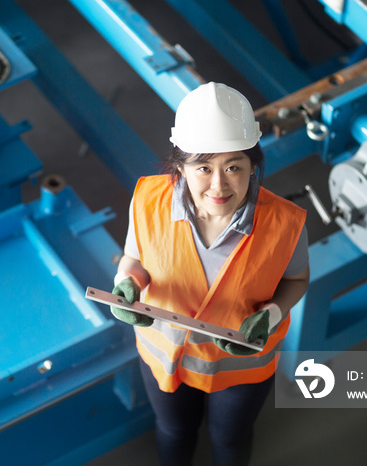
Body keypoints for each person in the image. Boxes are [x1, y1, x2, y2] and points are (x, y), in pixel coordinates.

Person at [110, 82, 309, 466]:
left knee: (229, 441)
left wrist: (270, 316)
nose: (218, 185)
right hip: (164, 357)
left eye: (234, 166)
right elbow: (134, 259)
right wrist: (128, 283)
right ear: (179, 166)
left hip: (240, 367)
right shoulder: (149, 200)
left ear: (253, 166)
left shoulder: (286, 223)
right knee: (173, 431)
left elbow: (295, 281)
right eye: (203, 167)